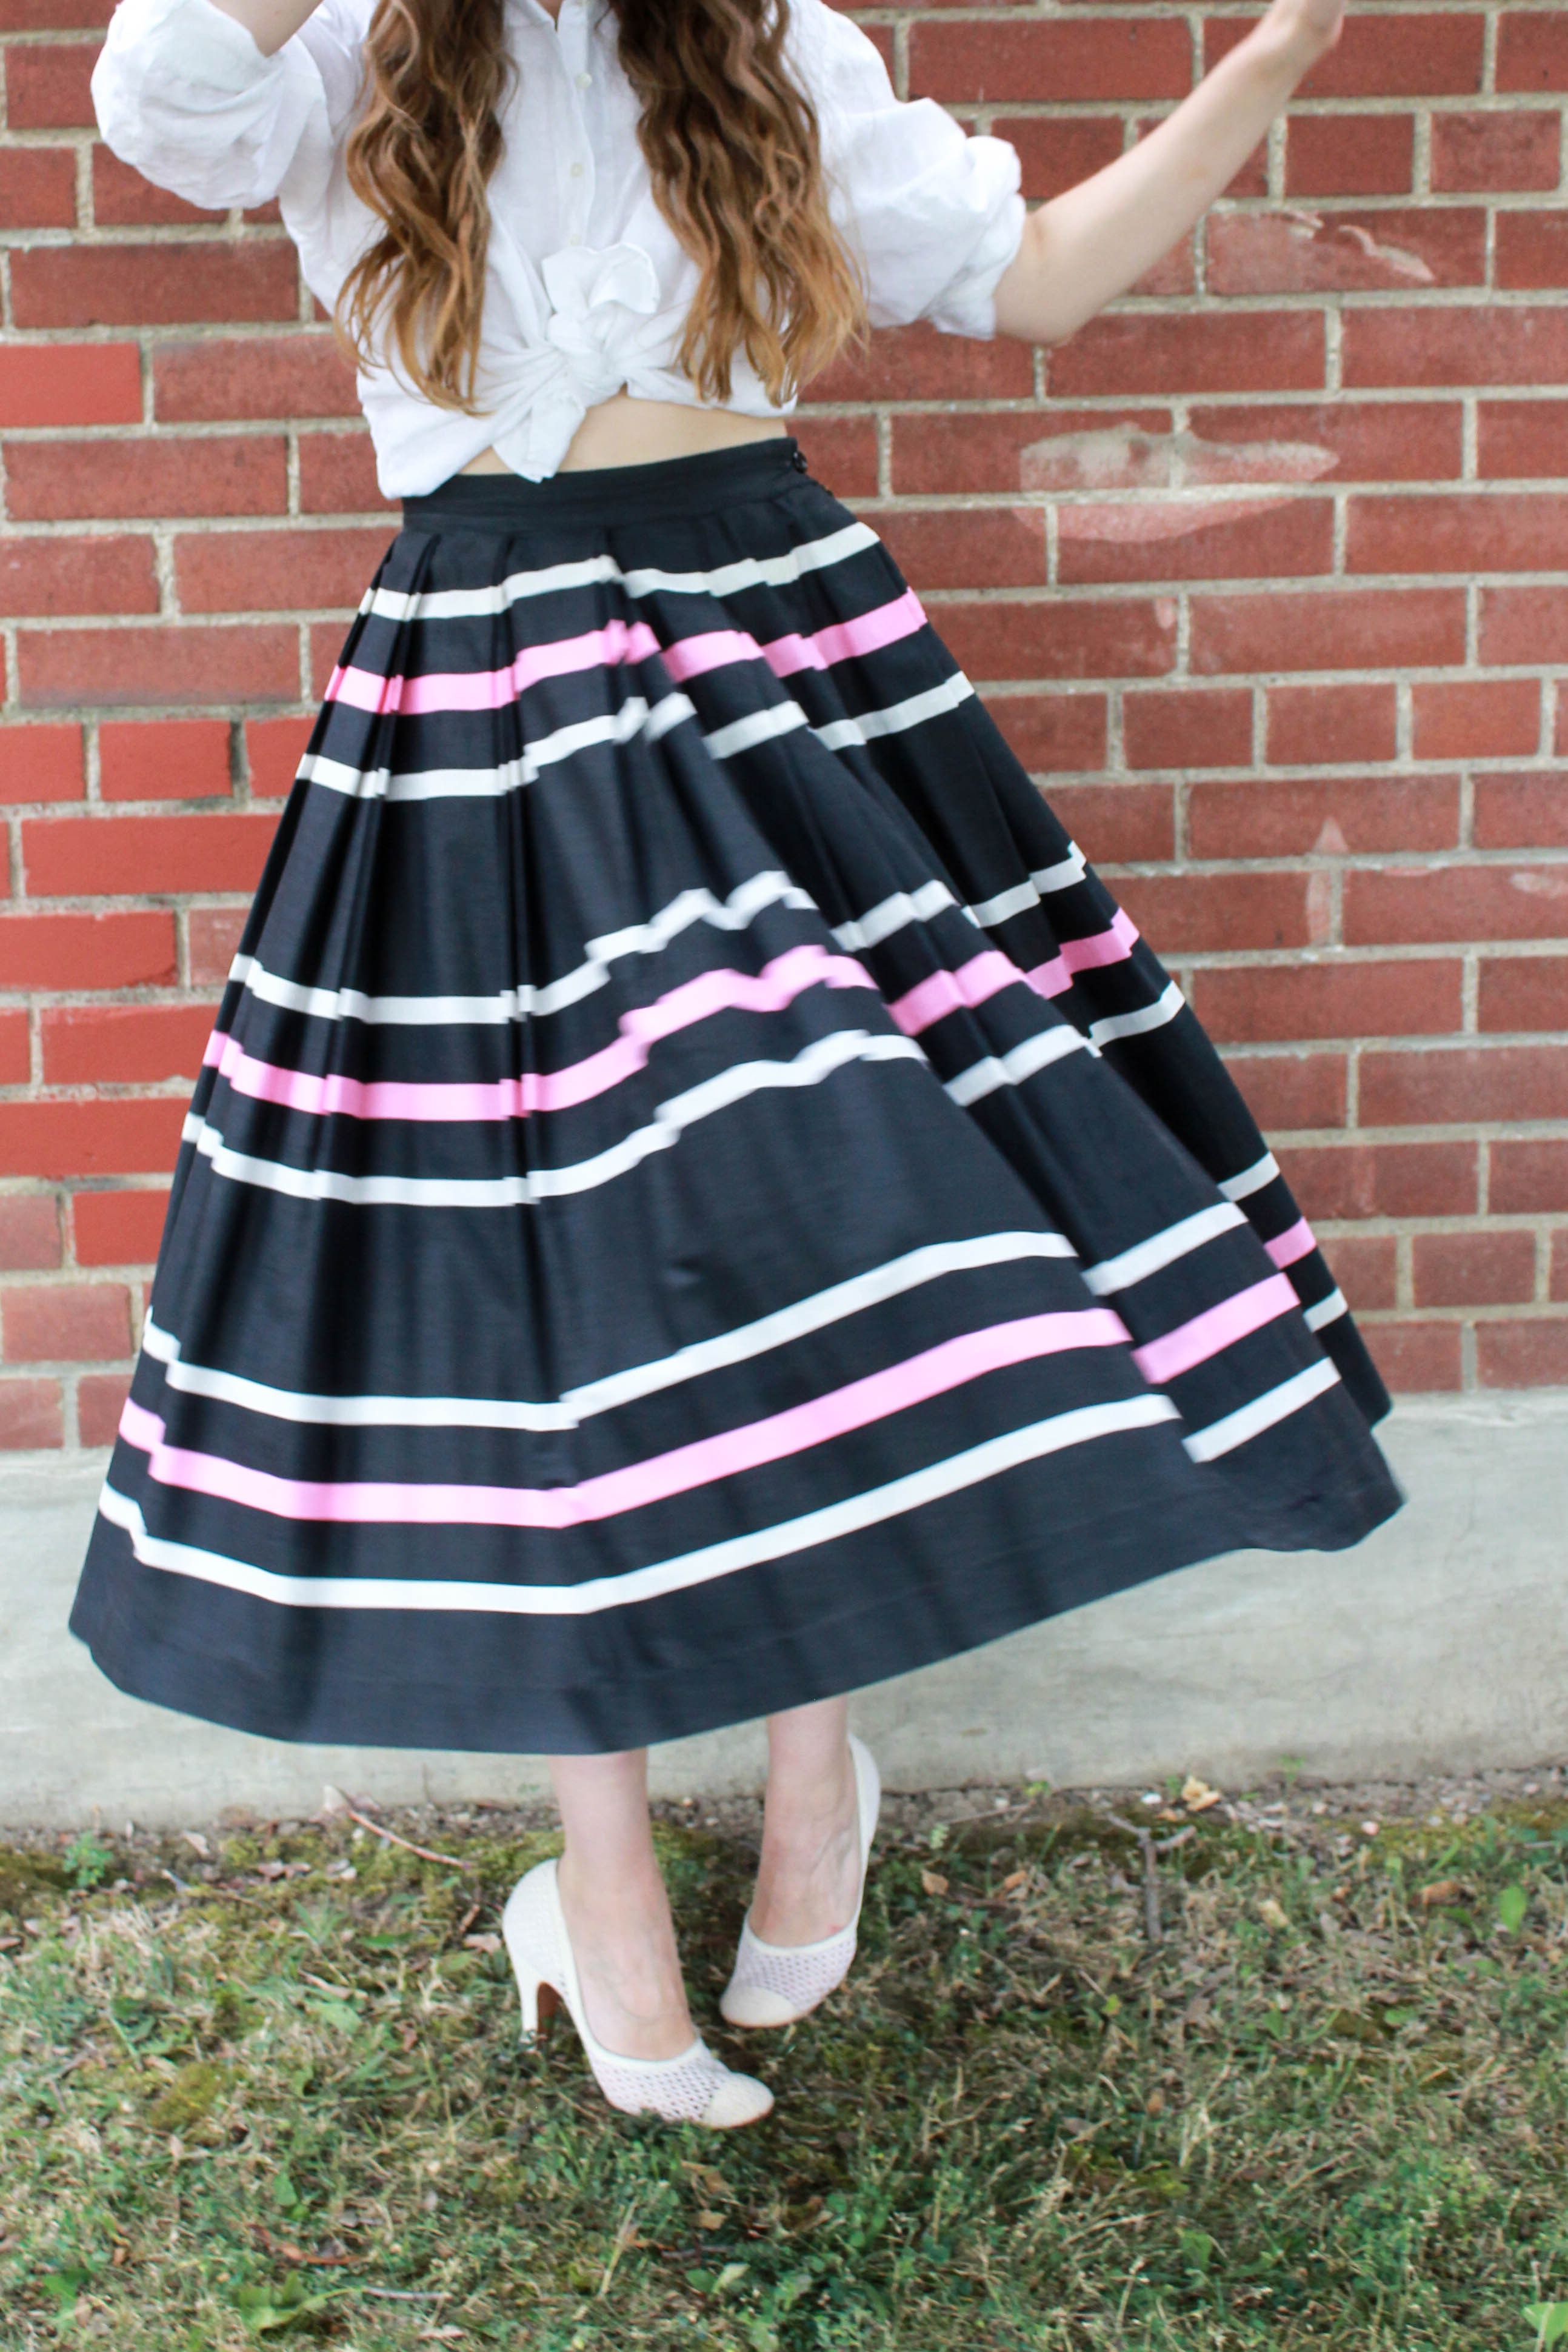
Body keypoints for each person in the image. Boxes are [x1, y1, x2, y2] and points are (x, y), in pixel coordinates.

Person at [78, 0, 1396, 2131]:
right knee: (538, 1302)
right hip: (492, 696)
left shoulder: (771, 44)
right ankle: (594, 1888)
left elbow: (1030, 275)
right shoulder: (343, 52)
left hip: (773, 653)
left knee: (815, 1222)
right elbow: (163, 105)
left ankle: (812, 1777)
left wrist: (1274, 61)